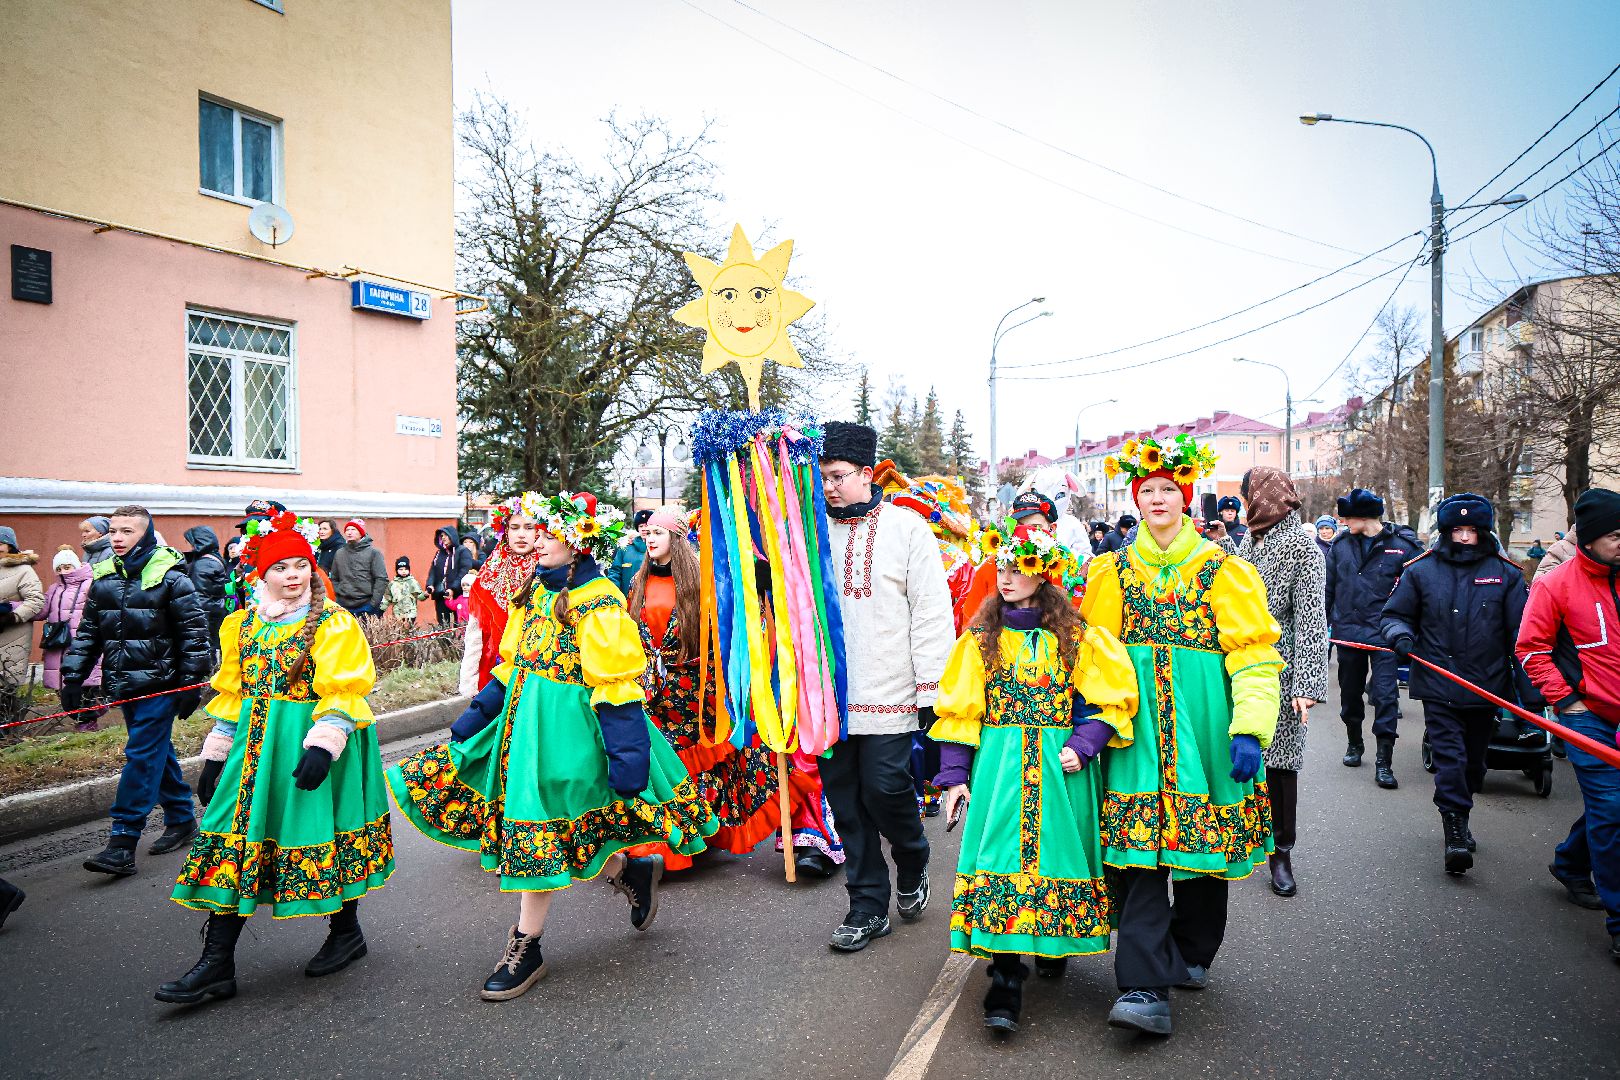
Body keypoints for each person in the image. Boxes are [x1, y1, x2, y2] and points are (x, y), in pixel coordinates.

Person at [387, 491, 716, 1001]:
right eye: (533, 533)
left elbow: (616, 686)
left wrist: (629, 756)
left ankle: (527, 942)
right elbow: (513, 663)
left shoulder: (600, 602)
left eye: (547, 534)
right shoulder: (535, 593)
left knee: (547, 839)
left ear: (579, 541)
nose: (535, 541)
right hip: (524, 734)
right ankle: (629, 872)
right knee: (549, 839)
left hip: (572, 740)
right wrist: (478, 713)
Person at [1083, 434, 1282, 1036]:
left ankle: (1193, 951)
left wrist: (1250, 727)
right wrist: (1089, 722)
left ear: (1186, 496)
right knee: (1140, 859)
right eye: (1148, 491)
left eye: (1170, 489)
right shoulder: (1110, 570)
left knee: (1199, 865)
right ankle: (1142, 985)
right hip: (1136, 732)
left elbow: (1253, 657)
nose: (1159, 500)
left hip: (1204, 732)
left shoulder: (1227, 571)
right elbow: (1095, 652)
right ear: (1137, 501)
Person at [158, 511, 395, 1004]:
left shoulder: (333, 622)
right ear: (260, 575)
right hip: (254, 748)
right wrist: (217, 753)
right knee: (236, 838)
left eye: (301, 565)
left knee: (322, 831)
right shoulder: (239, 625)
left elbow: (346, 688)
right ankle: (217, 962)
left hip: (313, 744)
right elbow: (232, 694)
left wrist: (324, 742)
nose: (294, 575)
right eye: (281, 567)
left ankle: (346, 931)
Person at [932, 524, 1137, 1035]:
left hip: (1057, 771)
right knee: (1000, 857)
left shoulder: (1077, 637)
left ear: (1043, 572)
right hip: (1000, 769)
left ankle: (1052, 941)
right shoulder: (981, 640)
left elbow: (1106, 701)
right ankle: (1004, 978)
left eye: (1018, 568)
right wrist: (956, 776)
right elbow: (961, 713)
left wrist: (1084, 745)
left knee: (1056, 857)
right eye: (1000, 567)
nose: (1006, 577)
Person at [819, 421, 954, 953]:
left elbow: (931, 612)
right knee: (845, 804)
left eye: (837, 476)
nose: (828, 486)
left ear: (868, 474)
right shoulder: (806, 536)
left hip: (892, 690)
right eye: (822, 477)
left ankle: (913, 852)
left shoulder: (907, 530)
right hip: (826, 696)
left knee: (886, 789)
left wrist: (931, 692)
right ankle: (867, 904)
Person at [626, 505, 790, 870]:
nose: (650, 538)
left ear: (676, 539)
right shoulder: (637, 583)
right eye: (647, 533)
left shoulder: (702, 583)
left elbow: (724, 635)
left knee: (697, 767)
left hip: (693, 692)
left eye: (658, 532)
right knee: (659, 767)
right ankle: (661, 845)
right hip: (651, 695)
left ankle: (698, 834)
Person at [1381, 493, 1535, 875]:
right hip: (1438, 684)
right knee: (1450, 761)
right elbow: (1394, 615)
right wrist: (1401, 637)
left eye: (1471, 530)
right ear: (1445, 531)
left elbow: (1522, 637)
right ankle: (1455, 829)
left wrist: (1531, 701)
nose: (1464, 537)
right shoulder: (1420, 570)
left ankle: (1461, 809)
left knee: (1473, 765)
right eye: (1456, 530)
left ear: (1483, 532)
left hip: (1486, 687)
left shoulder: (1507, 574)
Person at [61, 505, 211, 876]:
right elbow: (89, 633)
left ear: (144, 535)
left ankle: (122, 841)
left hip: (161, 686)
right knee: (155, 752)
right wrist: (73, 677)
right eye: (112, 531)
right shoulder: (105, 577)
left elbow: (194, 637)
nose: (116, 538)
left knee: (141, 755)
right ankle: (180, 817)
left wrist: (192, 685)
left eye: (126, 532)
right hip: (124, 683)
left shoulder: (173, 578)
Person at [1516, 488, 1620, 964]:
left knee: (1611, 810)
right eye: (1616, 536)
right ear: (1593, 539)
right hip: (1589, 719)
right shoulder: (1556, 583)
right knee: (1613, 809)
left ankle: (1571, 861)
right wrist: (1566, 702)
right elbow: (1531, 649)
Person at [1234, 468, 1328, 898]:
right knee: (1244, 757)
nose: (1244, 503)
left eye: (1247, 495)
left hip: (1283, 668)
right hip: (1237, 667)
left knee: (1280, 767)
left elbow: (1312, 619)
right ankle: (1243, 841)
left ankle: (1281, 853)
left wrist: (1306, 685)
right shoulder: (1246, 542)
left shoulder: (1303, 548)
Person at [1325, 487, 1420, 786]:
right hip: (1349, 632)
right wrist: (1321, 628)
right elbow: (1328, 590)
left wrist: (1413, 630)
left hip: (1385, 635)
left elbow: (1419, 591)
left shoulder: (1403, 547)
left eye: (1348, 517)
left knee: (1385, 696)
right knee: (1350, 696)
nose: (1343, 523)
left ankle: (1384, 761)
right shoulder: (1340, 546)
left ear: (1364, 517)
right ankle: (1355, 742)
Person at [458, 496, 544, 695]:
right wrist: (470, 680)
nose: (521, 535)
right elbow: (476, 633)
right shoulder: (490, 570)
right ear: (505, 531)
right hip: (495, 670)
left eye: (529, 527)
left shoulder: (549, 567)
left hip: (540, 670)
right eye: (514, 527)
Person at [40, 547, 104, 731]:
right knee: (64, 689)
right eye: (59, 568)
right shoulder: (54, 589)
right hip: (58, 644)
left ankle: (88, 721)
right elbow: (41, 610)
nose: (63, 572)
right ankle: (82, 718)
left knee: (87, 684)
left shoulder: (90, 584)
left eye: (67, 566)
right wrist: (13, 607)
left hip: (82, 642)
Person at [0, 526, 45, 723]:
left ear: (10, 546)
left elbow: (36, 601)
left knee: (6, 687)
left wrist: (10, 617)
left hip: (12, 637)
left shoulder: (24, 570)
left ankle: (8, 732)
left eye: (0, 543)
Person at [182, 525, 230, 656]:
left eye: (191, 543)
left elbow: (200, 595)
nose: (190, 546)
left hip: (205, 614)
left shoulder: (204, 563)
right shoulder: (213, 559)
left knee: (206, 648)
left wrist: (193, 617)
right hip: (214, 610)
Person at [329, 519, 387, 618]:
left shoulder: (374, 553)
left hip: (366, 605)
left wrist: (373, 604)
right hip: (344, 605)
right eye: (347, 530)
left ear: (361, 533)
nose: (349, 532)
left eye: (353, 529)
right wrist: (339, 593)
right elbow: (334, 577)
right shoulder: (340, 553)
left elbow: (381, 579)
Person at [425, 525, 471, 627]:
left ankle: (458, 643)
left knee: (459, 624)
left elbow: (463, 572)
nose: (444, 537)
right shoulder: (439, 553)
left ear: (453, 536)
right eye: (442, 535)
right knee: (443, 625)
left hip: (457, 596)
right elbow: (433, 570)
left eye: (446, 535)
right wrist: (430, 585)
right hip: (441, 595)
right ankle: (444, 643)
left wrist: (453, 588)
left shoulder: (462, 551)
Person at [607, 509, 652, 594]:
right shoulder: (625, 549)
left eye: (647, 525)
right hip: (627, 600)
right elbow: (615, 572)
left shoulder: (658, 550)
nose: (644, 529)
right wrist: (614, 593)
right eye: (641, 526)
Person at [381, 556, 430, 626]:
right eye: (401, 569)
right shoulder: (392, 584)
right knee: (398, 632)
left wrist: (425, 595)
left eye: (406, 569)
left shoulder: (412, 582)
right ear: (397, 570)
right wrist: (381, 608)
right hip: (397, 613)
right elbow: (387, 598)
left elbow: (419, 595)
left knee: (408, 630)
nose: (403, 571)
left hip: (410, 613)